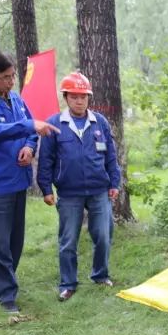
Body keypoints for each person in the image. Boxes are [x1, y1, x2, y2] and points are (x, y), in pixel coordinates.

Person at [0, 51, 60, 314]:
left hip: (17, 181)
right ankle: (6, 296)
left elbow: (30, 131)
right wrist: (29, 126)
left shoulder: (15, 99)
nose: (11, 81)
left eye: (13, 75)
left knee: (15, 240)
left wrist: (29, 148)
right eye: (5, 77)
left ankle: (2, 283)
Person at [37, 72, 121, 302]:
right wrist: (45, 188)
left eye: (83, 96)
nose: (79, 101)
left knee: (103, 235)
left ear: (88, 98)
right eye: (74, 96)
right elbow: (46, 159)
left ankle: (100, 275)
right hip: (69, 193)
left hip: (99, 190)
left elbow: (110, 155)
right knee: (68, 240)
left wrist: (114, 181)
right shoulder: (55, 124)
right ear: (66, 97)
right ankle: (68, 283)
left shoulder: (99, 122)